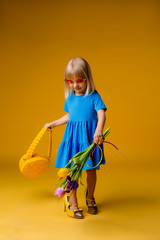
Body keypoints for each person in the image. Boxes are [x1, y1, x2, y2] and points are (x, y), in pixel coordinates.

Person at [45, 57, 107, 219]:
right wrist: (54, 123)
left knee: (91, 171)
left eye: (79, 81)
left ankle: (90, 197)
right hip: (72, 139)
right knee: (72, 172)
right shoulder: (70, 97)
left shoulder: (94, 96)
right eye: (70, 82)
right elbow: (69, 116)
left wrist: (98, 130)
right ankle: (72, 202)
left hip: (88, 139)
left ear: (87, 78)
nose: (75, 85)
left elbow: (101, 113)